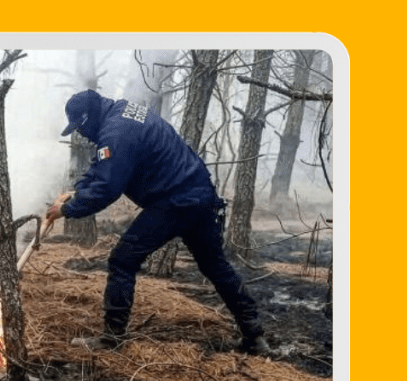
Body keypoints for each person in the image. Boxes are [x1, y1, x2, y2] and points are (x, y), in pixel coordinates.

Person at [45, 89, 268, 355]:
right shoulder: (122, 114)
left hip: (175, 201)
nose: (80, 134)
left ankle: (111, 338)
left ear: (88, 118)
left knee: (122, 260)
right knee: (214, 265)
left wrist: (68, 210)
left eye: (79, 128)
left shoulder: (116, 131)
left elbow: (107, 187)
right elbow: (104, 165)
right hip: (200, 194)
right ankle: (254, 336)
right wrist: (77, 189)